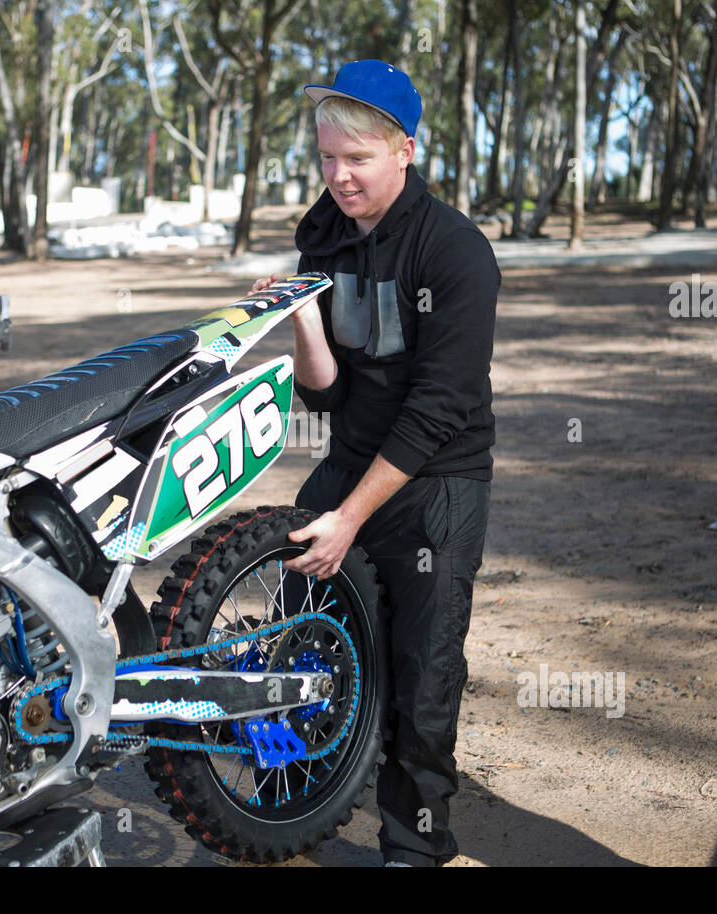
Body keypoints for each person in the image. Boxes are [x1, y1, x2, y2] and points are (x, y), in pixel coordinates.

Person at [251, 59, 500, 867]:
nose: (338, 176)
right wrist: (299, 318)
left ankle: (413, 845)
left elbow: (437, 410)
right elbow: (322, 395)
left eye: (356, 159)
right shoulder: (321, 233)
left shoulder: (457, 252)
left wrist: (350, 517)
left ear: (404, 150)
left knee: (424, 671)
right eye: (326, 157)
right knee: (304, 639)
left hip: (437, 481)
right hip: (351, 457)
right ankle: (289, 803)